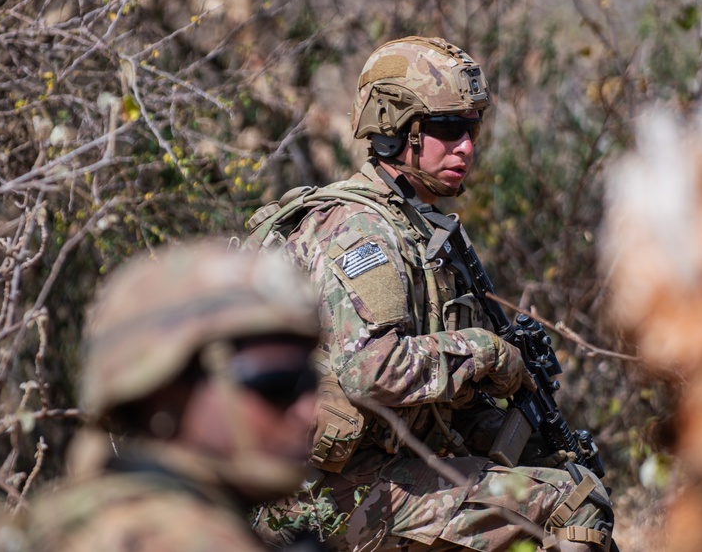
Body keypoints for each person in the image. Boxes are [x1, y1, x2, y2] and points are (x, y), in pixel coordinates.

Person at [248, 37, 616, 551]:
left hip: (380, 474)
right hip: (318, 499)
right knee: (570, 506)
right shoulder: (361, 229)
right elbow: (371, 371)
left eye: (472, 128)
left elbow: (437, 406)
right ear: (395, 131)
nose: (466, 145)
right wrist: (485, 352)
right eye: (446, 128)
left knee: (560, 474)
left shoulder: (424, 232)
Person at [0, 241, 322, 552]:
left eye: (309, 384)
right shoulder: (177, 539)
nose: (309, 412)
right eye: (277, 386)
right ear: (163, 392)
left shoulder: (73, 521)